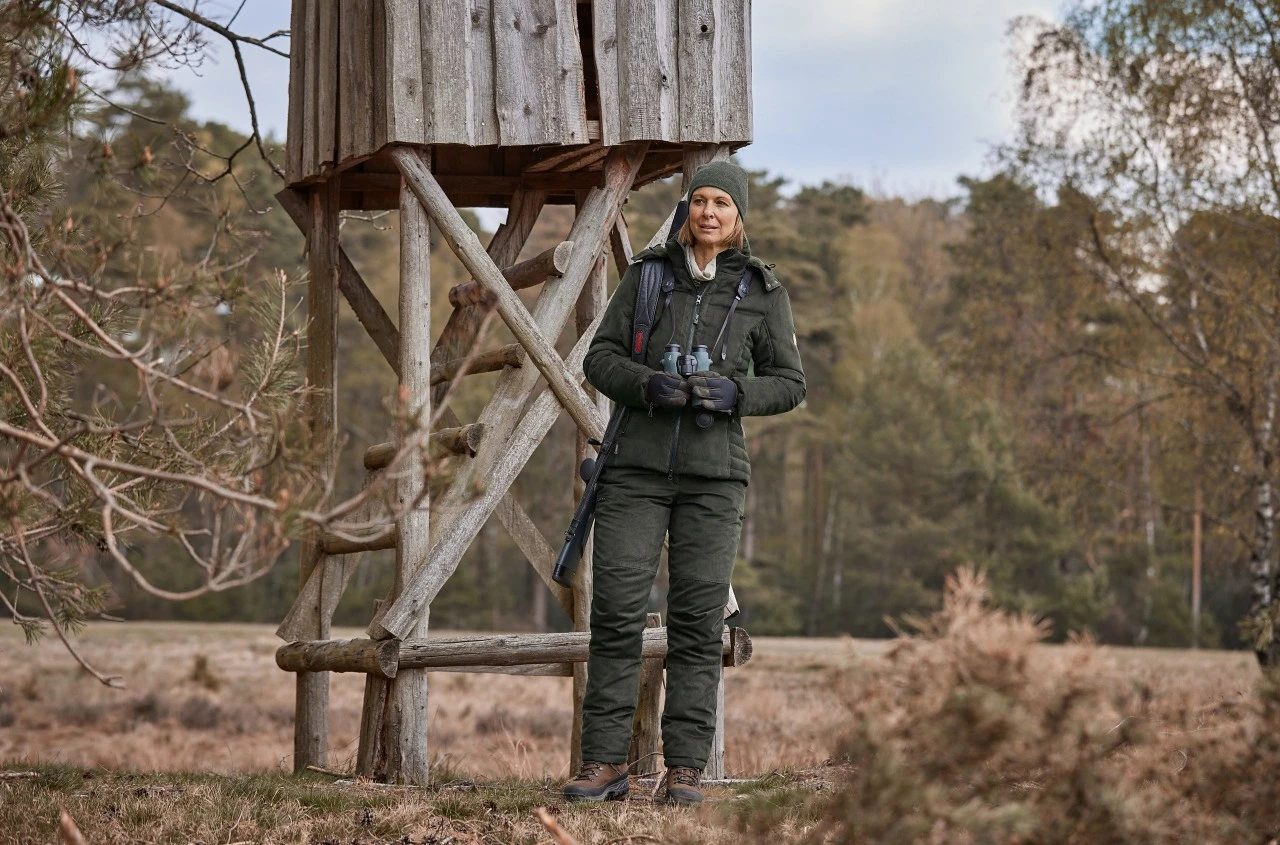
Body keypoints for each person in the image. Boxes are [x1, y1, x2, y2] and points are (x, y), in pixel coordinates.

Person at [563, 160, 806, 806]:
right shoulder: (647, 277)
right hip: (636, 473)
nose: (708, 212)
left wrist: (734, 392)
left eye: (722, 203)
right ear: (686, 211)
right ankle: (605, 762)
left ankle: (686, 770)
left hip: (714, 480)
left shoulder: (761, 291)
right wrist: (647, 385)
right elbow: (600, 358)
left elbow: (791, 383)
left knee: (697, 623)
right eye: (699, 201)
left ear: (739, 216)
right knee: (615, 613)